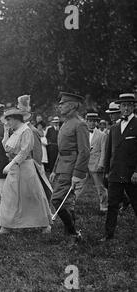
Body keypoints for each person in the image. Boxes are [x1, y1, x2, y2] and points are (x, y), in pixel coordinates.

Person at [0, 97, 52, 234]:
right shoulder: (14, 131)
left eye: (9, 120)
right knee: (9, 195)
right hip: (15, 167)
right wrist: (5, 132)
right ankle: (7, 225)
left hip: (26, 167)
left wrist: (11, 164)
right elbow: (6, 148)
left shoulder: (26, 130)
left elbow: (25, 151)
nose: (7, 122)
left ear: (16, 119)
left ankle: (45, 224)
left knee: (33, 195)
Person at [49, 92, 90, 245]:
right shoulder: (65, 123)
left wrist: (77, 174)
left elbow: (84, 151)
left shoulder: (80, 124)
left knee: (57, 199)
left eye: (63, 104)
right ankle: (71, 236)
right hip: (62, 167)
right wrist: (54, 170)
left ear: (72, 106)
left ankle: (73, 232)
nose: (59, 106)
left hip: (71, 168)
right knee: (67, 202)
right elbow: (62, 150)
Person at [102, 93, 137, 241]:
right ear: (120, 108)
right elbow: (109, 151)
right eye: (123, 105)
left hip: (131, 173)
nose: (126, 108)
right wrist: (106, 171)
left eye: (129, 105)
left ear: (134, 106)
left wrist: (136, 171)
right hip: (115, 172)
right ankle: (108, 235)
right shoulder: (115, 127)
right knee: (112, 204)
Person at [75, 112, 108, 214]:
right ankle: (71, 203)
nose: (92, 123)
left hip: (96, 164)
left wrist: (101, 164)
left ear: (97, 122)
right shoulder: (82, 133)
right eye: (90, 121)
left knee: (100, 187)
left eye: (94, 121)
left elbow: (103, 151)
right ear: (86, 121)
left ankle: (104, 205)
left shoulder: (102, 135)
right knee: (79, 184)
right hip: (84, 164)